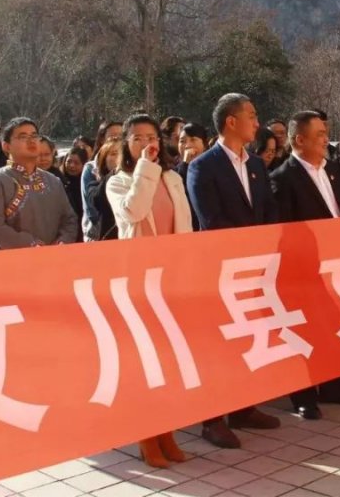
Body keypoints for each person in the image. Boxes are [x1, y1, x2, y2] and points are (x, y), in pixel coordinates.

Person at [186, 93, 280, 449]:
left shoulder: (255, 163)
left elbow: (269, 208)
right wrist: (247, 246)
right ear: (231, 121)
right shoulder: (203, 166)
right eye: (252, 116)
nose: (257, 123)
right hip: (221, 269)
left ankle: (244, 406)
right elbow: (211, 220)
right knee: (218, 344)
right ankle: (213, 419)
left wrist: (265, 243)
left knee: (248, 337)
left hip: (256, 267)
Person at [104, 114, 191, 467]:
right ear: (125, 143)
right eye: (137, 137)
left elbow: (185, 226)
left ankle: (167, 430)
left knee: (170, 362)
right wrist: (144, 168)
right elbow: (134, 212)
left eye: (150, 136)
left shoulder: (172, 178)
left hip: (173, 281)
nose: (145, 142)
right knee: (145, 363)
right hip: (139, 285)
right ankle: (146, 437)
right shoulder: (119, 182)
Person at [269, 111, 340, 419]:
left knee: (333, 327)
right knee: (306, 332)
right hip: (305, 270)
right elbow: (284, 231)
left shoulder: (332, 170)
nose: (327, 139)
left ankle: (334, 385)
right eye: (321, 134)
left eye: (326, 133)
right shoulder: (282, 178)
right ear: (300, 140)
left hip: (337, 264)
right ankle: (304, 395)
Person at [0, 117, 78, 250]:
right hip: (12, 263)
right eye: (23, 136)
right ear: (6, 146)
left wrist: (63, 241)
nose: (31, 141)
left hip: (53, 259)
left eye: (34, 135)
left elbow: (69, 219)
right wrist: (31, 244)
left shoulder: (53, 181)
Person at [81, 121, 124, 242]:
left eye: (121, 136)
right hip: (99, 238)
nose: (119, 158)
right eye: (114, 154)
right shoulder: (92, 176)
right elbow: (93, 207)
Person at [91, 138, 124, 240]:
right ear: (104, 160)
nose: (119, 157)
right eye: (114, 154)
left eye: (122, 153)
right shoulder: (94, 185)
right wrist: (115, 172)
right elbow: (96, 200)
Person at [61, 146, 87, 242]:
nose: (72, 166)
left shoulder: (86, 185)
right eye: (69, 162)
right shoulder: (58, 182)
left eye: (76, 163)